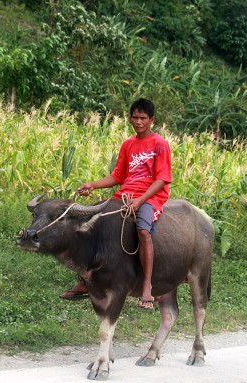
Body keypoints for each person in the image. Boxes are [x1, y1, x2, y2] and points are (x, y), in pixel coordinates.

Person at [59, 98, 172, 310]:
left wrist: (140, 201)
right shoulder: (128, 144)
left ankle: (147, 287)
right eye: (135, 118)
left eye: (143, 118)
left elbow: (162, 179)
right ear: (130, 118)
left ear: (152, 120)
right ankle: (86, 279)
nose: (138, 122)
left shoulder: (160, 144)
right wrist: (93, 185)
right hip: (124, 195)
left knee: (143, 231)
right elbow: (118, 176)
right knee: (88, 223)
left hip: (149, 197)